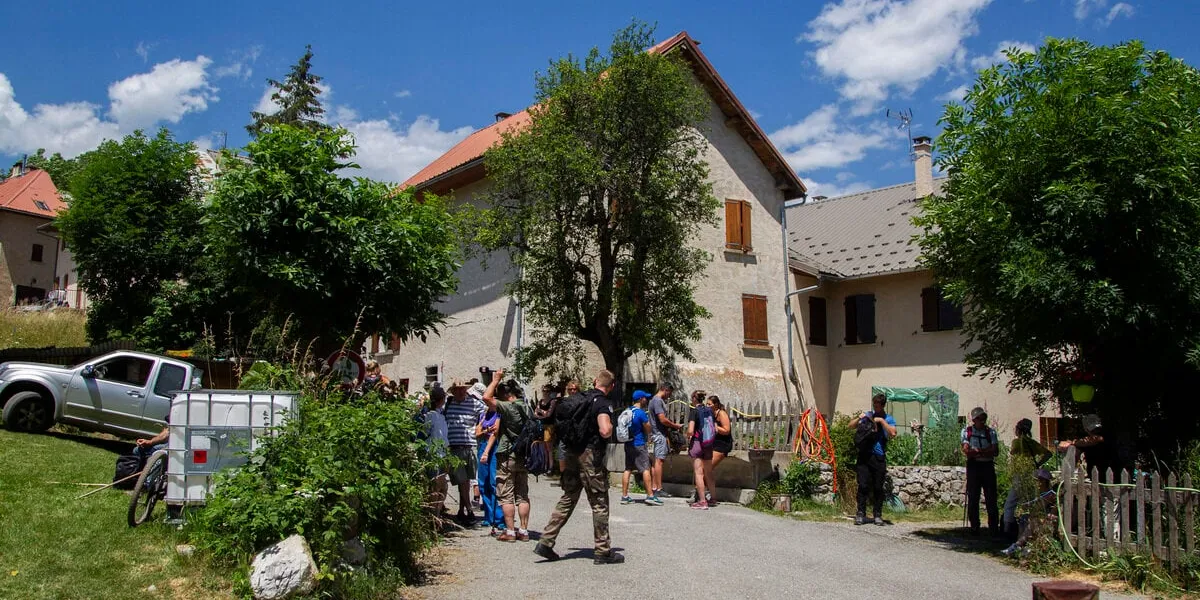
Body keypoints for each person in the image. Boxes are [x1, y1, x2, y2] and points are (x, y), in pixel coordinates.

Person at [533, 370, 623, 564]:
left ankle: (546, 541)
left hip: (572, 453)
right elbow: (605, 430)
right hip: (590, 455)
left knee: (569, 497)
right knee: (599, 502)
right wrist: (611, 429)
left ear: (594, 381)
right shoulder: (602, 403)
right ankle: (602, 550)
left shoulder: (580, 399)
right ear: (612, 386)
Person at [481, 370, 533, 542]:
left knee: (506, 494)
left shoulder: (509, 407)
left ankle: (510, 531)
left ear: (506, 394)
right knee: (522, 495)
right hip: (524, 455)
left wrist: (495, 379)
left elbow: (486, 397)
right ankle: (524, 530)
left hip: (508, 454)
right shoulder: (527, 407)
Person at [849, 393, 897, 525]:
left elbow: (893, 433)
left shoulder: (888, 418)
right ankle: (860, 513)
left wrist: (881, 421)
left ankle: (877, 514)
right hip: (864, 455)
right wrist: (859, 418)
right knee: (863, 485)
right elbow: (850, 426)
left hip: (878, 457)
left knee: (878, 487)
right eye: (874, 404)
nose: (875, 407)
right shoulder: (868, 415)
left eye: (878, 405)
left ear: (883, 405)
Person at [444, 379, 484, 523]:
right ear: (453, 391)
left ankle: (462, 511)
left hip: (469, 446)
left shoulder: (474, 403)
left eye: (463, 389)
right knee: (462, 481)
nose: (461, 392)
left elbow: (488, 411)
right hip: (454, 447)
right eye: (458, 389)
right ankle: (469, 510)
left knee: (465, 481)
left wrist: (480, 427)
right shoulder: (448, 403)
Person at [1004, 418, 1052, 534]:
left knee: (1010, 503)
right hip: (1031, 474)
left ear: (1018, 429)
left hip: (1020, 474)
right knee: (1030, 502)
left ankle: (1007, 529)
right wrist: (1038, 464)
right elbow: (1048, 454)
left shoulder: (1017, 442)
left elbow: (1013, 453)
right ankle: (1030, 529)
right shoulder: (1032, 442)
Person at [962, 406, 1000, 536]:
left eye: (984, 418)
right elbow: (966, 450)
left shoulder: (991, 432)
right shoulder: (967, 432)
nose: (983, 421)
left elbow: (995, 451)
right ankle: (974, 526)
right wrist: (983, 451)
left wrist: (978, 451)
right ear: (974, 420)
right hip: (974, 466)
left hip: (987, 466)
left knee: (991, 497)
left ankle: (993, 527)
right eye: (980, 418)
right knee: (973, 496)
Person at [1001, 469, 1058, 557]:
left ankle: (1016, 546)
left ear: (1043, 481)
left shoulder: (1050, 494)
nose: (1035, 483)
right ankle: (1020, 547)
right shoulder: (1042, 493)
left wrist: (1029, 505)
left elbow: (1039, 506)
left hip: (1047, 521)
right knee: (1024, 518)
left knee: (1032, 522)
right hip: (1039, 518)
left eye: (1037, 481)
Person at [418, 389, 450, 518]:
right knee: (435, 487)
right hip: (433, 455)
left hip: (442, 455)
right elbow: (424, 434)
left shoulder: (441, 416)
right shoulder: (430, 416)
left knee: (443, 487)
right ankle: (432, 515)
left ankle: (437, 513)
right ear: (440, 400)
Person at [620, 390, 656, 505]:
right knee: (645, 468)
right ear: (641, 399)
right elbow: (648, 427)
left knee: (628, 469)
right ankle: (650, 496)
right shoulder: (640, 413)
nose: (646, 400)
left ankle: (624, 496)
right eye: (645, 398)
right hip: (639, 443)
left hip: (628, 443)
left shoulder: (627, 411)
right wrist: (649, 435)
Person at [648, 382, 682, 499]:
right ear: (665, 390)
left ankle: (654, 487)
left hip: (656, 434)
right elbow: (662, 419)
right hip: (659, 434)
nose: (669, 396)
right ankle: (659, 488)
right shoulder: (658, 401)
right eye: (669, 393)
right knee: (659, 461)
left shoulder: (654, 400)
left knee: (655, 462)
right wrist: (675, 425)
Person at [476, 404, 504, 536]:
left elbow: (496, 432)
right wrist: (486, 430)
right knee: (483, 482)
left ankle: (499, 518)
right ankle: (488, 515)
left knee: (494, 482)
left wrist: (485, 431)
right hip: (483, 444)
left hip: (495, 447)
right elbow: (477, 433)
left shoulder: (499, 414)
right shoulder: (483, 415)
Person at [686, 390, 716, 509]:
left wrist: (687, 435)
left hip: (698, 443)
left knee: (699, 473)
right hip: (708, 443)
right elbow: (715, 428)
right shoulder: (710, 411)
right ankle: (713, 498)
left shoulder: (694, 411)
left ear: (694, 398)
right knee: (708, 472)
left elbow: (690, 430)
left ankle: (702, 501)